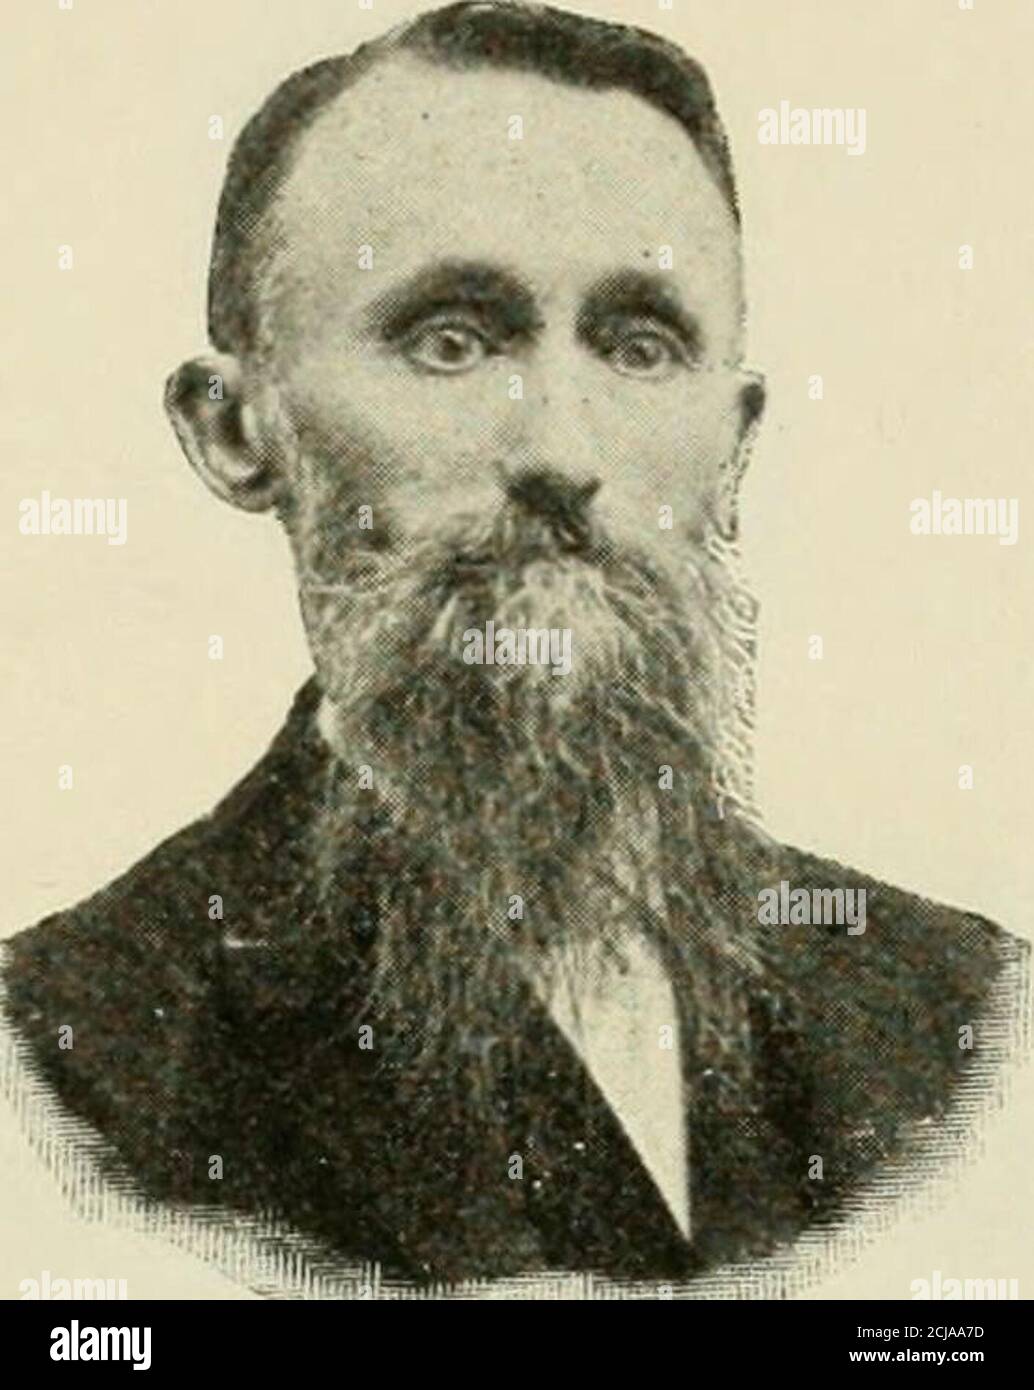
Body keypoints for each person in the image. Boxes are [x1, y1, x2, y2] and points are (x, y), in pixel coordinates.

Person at [2, 1, 1026, 1291]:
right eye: (452, 340)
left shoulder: (970, 1024)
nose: (561, 452)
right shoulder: (68, 1063)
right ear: (236, 430)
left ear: (734, 445)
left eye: (641, 346)